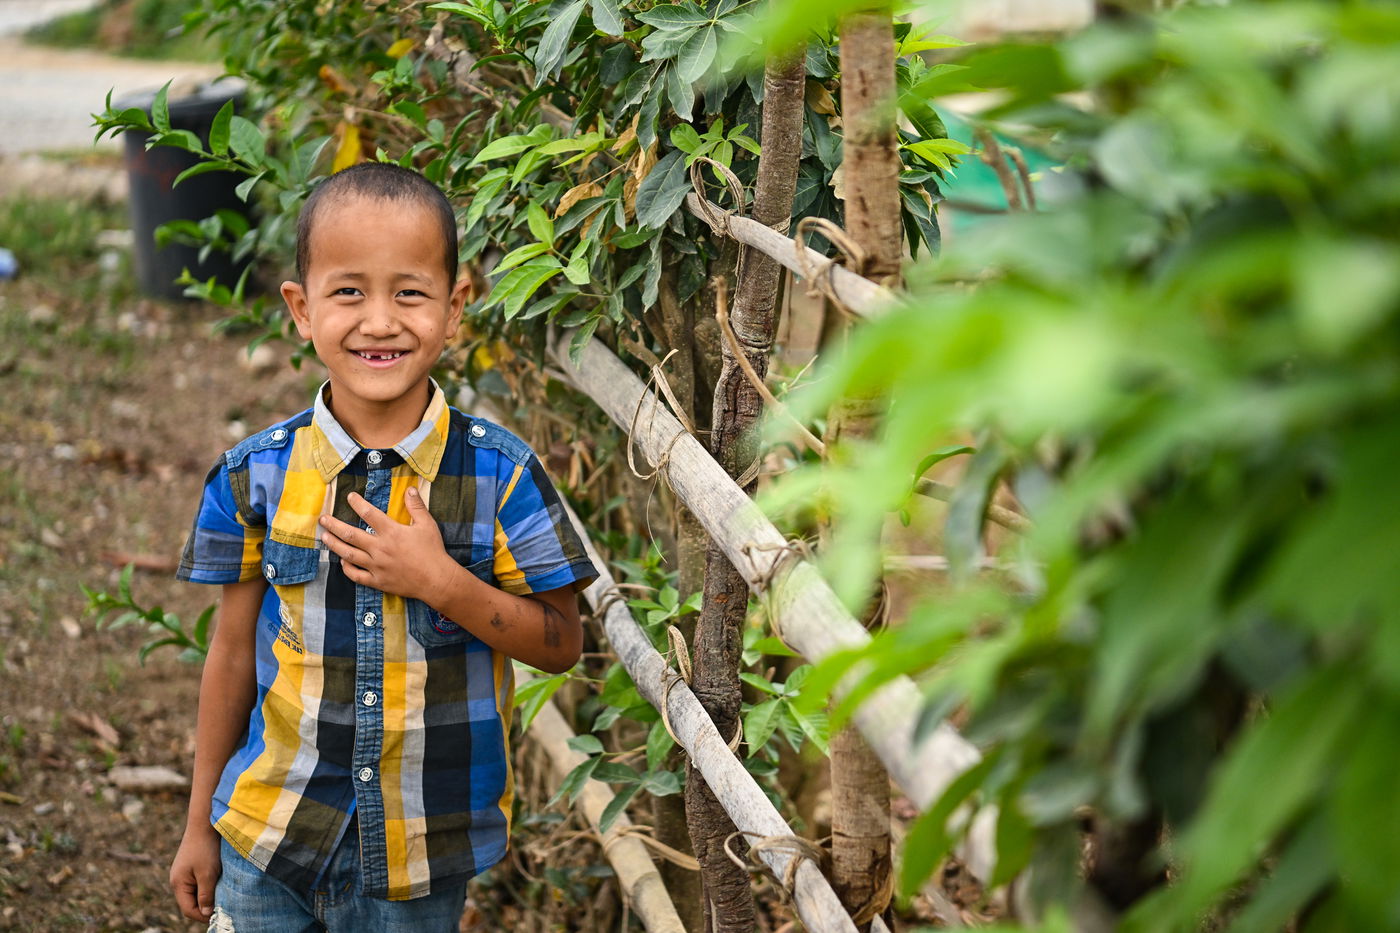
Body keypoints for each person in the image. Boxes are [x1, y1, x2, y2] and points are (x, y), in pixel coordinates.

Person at [169, 162, 597, 932]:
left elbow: (563, 643)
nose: (379, 321)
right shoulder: (255, 476)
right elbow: (230, 655)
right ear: (301, 309)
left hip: (419, 861)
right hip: (267, 837)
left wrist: (443, 583)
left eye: (409, 293)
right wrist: (199, 823)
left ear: (455, 307)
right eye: (348, 291)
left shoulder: (502, 477)